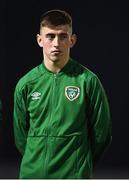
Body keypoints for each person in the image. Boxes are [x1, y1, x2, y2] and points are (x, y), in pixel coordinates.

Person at [13, 9, 112, 179]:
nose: (56, 43)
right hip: (33, 174)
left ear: (72, 40)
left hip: (74, 174)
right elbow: (21, 135)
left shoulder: (87, 81)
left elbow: (102, 134)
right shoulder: (26, 84)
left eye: (63, 36)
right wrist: (36, 156)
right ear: (39, 40)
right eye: (50, 36)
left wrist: (79, 161)